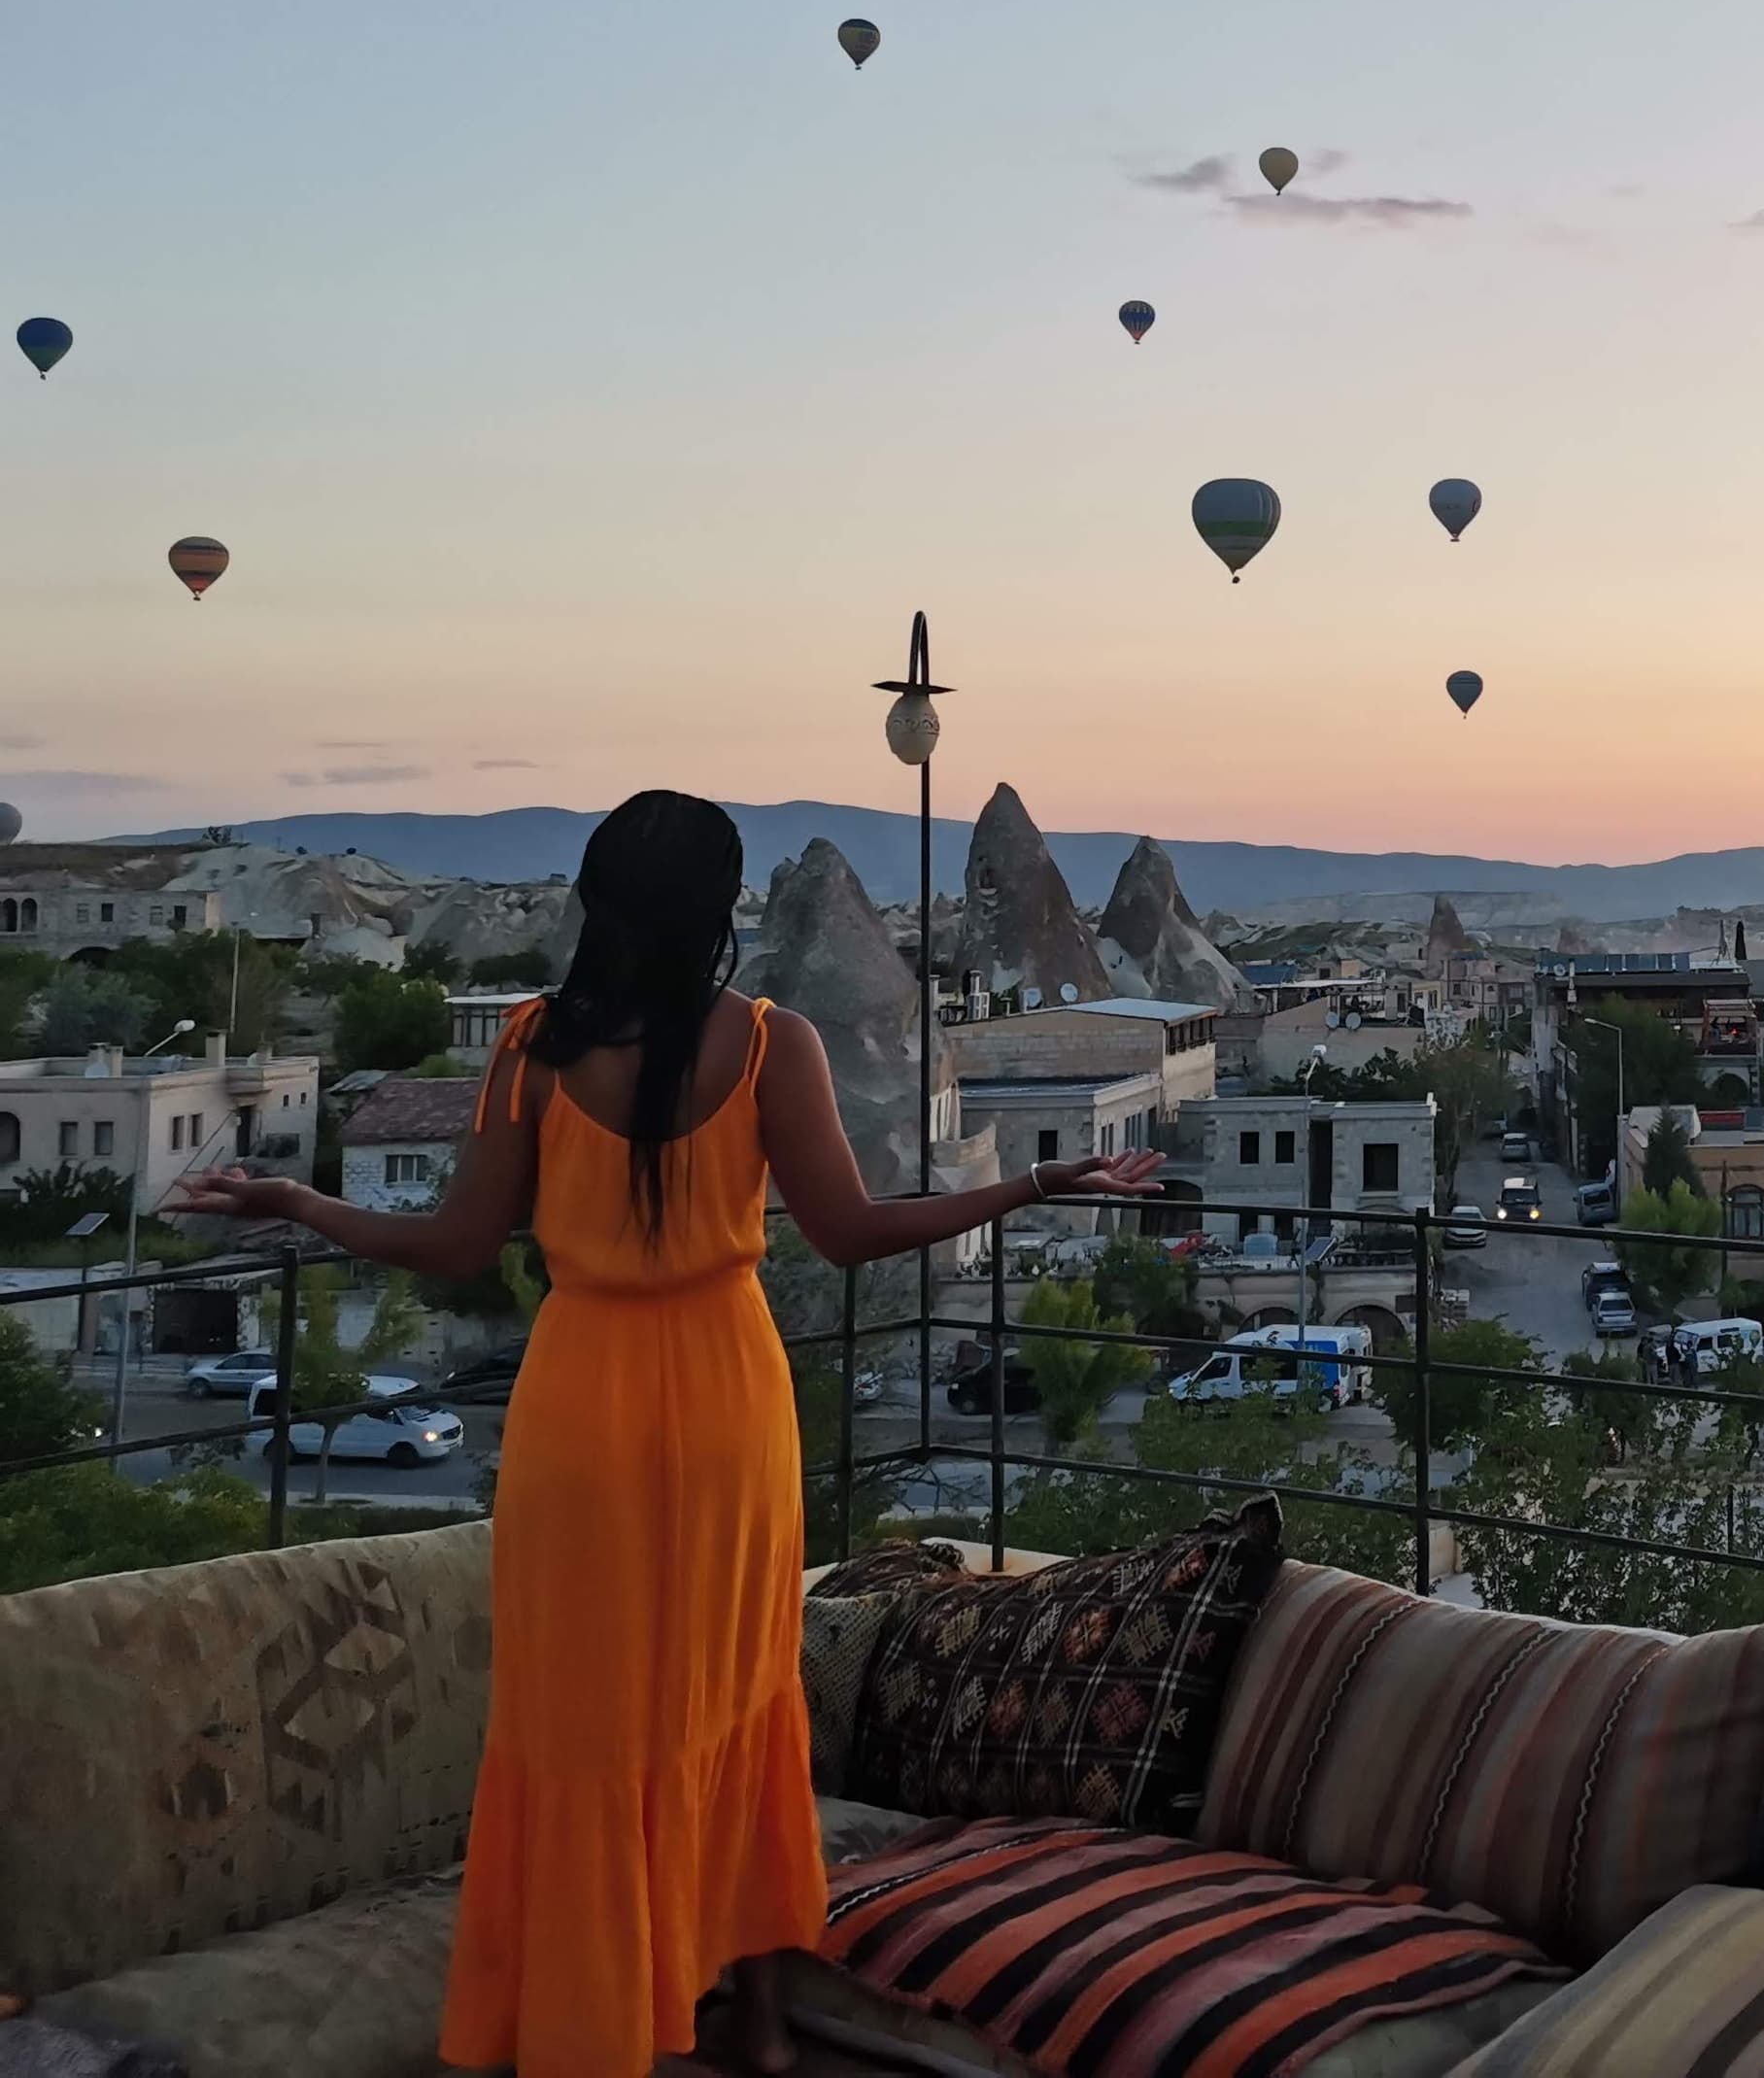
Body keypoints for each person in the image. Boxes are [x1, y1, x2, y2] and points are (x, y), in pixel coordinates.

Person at [173, 792, 1162, 2078]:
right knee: (738, 1697)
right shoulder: (768, 1042)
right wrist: (1036, 1178)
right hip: (725, 1405)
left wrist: (305, 1202)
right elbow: (854, 1232)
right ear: (715, 912)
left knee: (582, 1723)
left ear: (597, 901)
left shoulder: (530, 1047)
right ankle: (752, 2016)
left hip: (579, 1407)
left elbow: (456, 1244)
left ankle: (604, 2013)